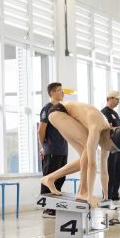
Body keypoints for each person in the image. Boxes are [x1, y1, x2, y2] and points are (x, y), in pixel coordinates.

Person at [40, 101, 120, 208]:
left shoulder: (107, 136)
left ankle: (49, 178)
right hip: (58, 111)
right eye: (112, 147)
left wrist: (106, 197)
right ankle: (82, 191)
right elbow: (92, 165)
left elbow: (104, 170)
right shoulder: (96, 127)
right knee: (87, 150)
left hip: (65, 116)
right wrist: (90, 196)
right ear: (109, 138)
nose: (110, 150)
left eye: (114, 150)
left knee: (84, 158)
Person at [38, 83, 68, 217]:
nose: (63, 93)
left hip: (62, 149)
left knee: (60, 179)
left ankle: (54, 207)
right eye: (60, 90)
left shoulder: (62, 109)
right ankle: (47, 209)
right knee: (49, 179)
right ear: (52, 92)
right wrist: (44, 147)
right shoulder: (47, 109)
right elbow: (41, 131)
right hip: (51, 150)